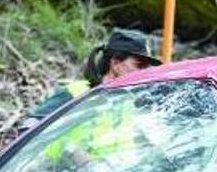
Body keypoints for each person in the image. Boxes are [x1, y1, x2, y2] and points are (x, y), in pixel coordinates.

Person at [22, 28, 161, 132]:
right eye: (140, 65)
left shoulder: (129, 102)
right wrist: (72, 153)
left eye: (147, 67)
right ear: (116, 63)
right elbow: (29, 128)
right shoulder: (77, 94)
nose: (144, 72)